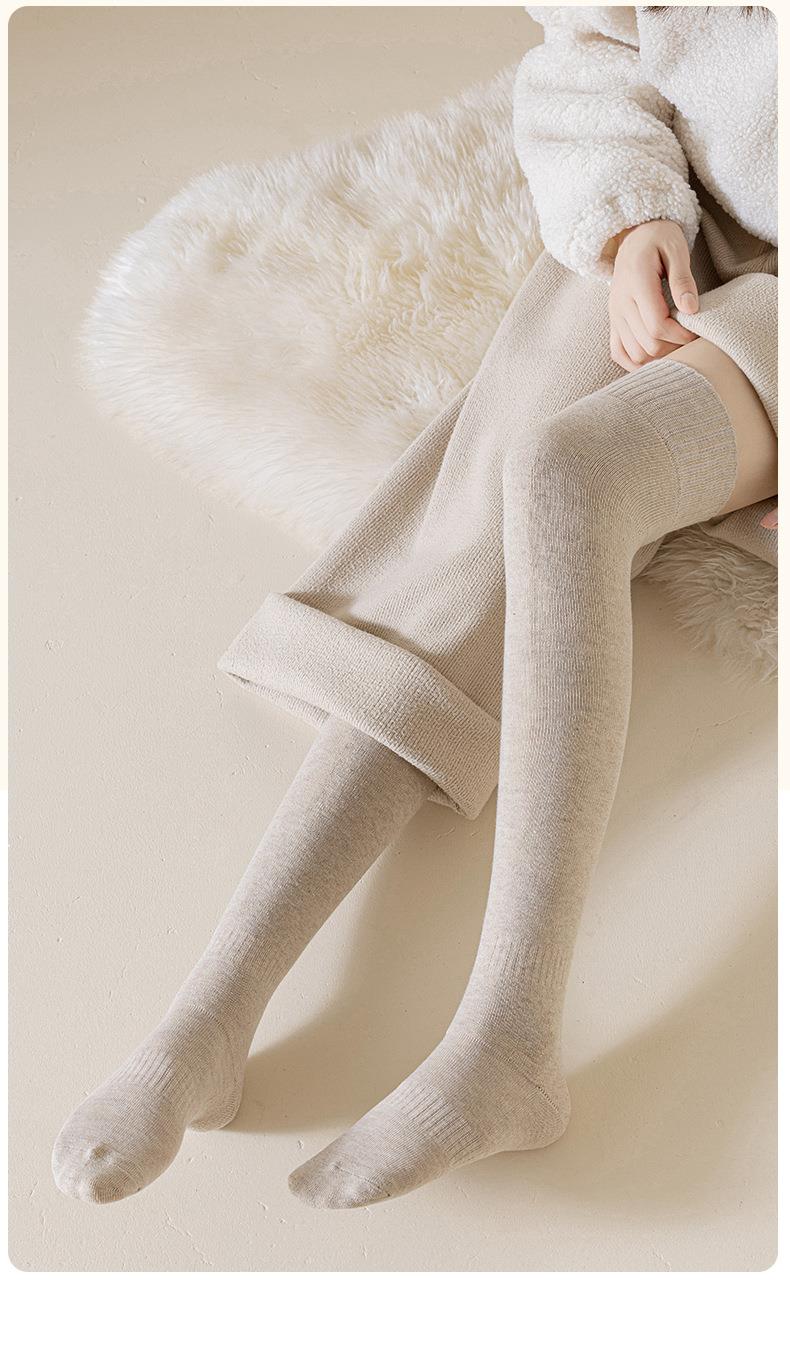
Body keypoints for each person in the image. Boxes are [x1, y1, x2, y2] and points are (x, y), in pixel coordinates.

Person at [53, 4, 778, 1208]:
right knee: (458, 562)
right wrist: (632, 210)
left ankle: (509, 1036)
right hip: (690, 212)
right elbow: (594, 45)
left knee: (567, 477)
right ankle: (205, 1021)